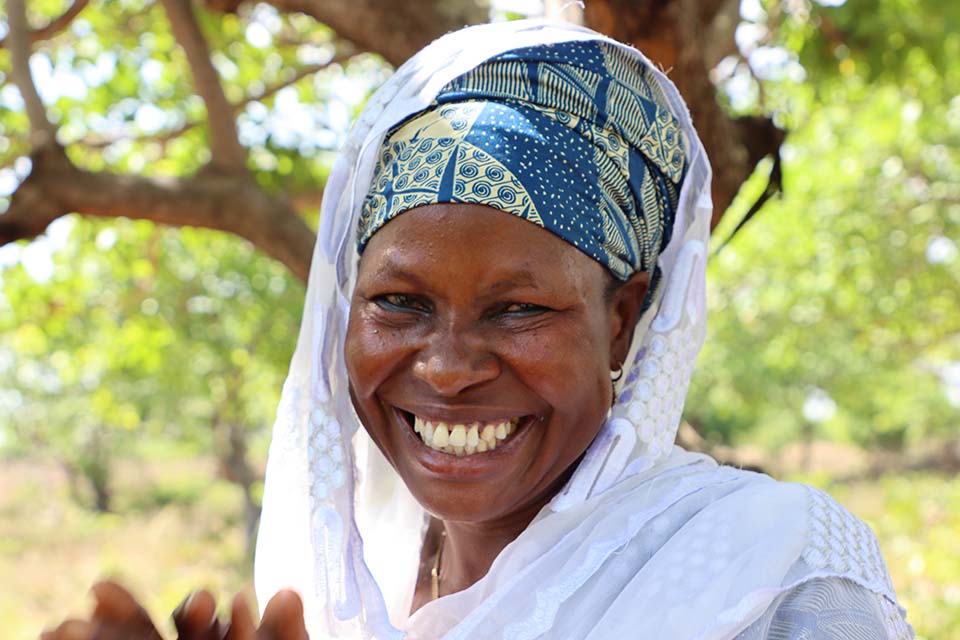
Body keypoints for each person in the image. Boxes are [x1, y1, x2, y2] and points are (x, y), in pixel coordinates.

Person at [43, 20, 913, 640]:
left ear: (622, 321)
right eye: (400, 303)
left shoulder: (773, 576)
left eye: (519, 308)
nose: (449, 368)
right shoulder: (344, 587)